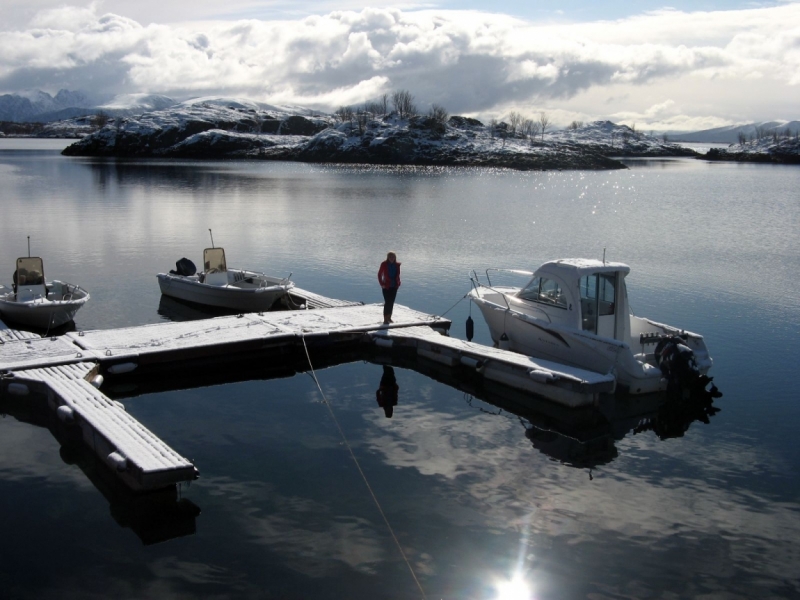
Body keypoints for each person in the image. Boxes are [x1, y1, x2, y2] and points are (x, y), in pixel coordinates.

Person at [377, 251, 401, 324]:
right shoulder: (384, 264)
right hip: (386, 286)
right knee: (387, 302)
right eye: (390, 257)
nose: (391, 258)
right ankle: (385, 319)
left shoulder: (397, 265)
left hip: (394, 286)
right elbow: (379, 274)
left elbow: (398, 275)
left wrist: (399, 283)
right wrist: (381, 283)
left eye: (393, 257)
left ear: (395, 258)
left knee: (391, 302)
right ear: (388, 257)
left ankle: (389, 317)